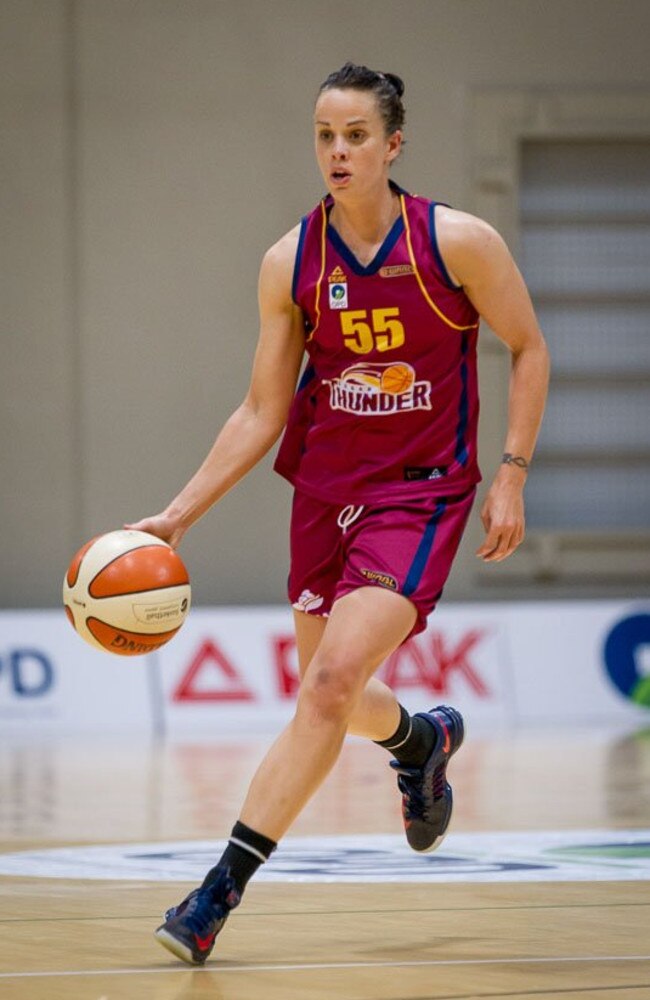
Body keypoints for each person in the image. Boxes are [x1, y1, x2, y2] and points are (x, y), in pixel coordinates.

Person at [127, 62, 550, 966]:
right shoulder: (293, 261)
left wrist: (509, 473)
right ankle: (422, 738)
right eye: (324, 134)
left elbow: (529, 347)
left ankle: (216, 894)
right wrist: (177, 516)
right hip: (325, 495)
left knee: (324, 690)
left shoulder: (457, 243)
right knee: (334, 696)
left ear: (393, 145)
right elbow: (260, 410)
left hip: (423, 491)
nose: (337, 150)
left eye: (356, 134)